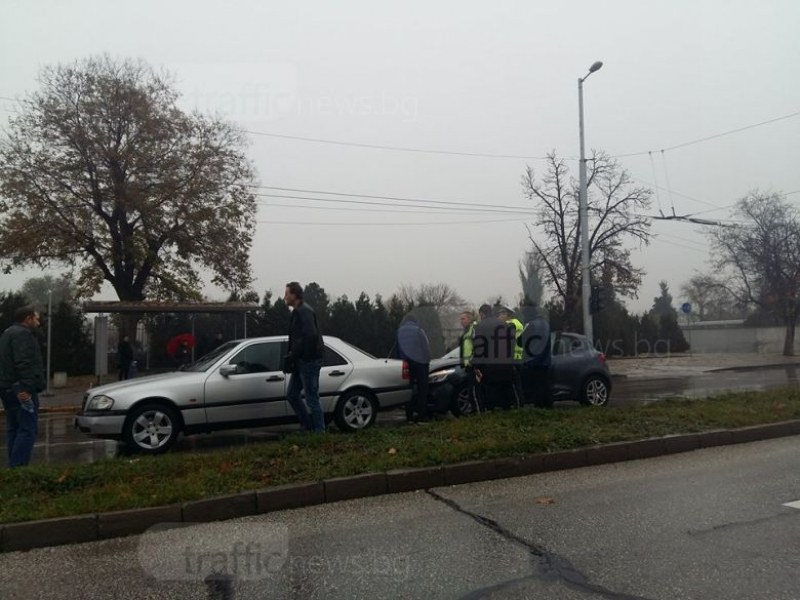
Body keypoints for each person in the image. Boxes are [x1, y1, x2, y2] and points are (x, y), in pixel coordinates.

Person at [0, 306, 45, 467]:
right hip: (21, 390)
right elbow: (23, 362)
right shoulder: (23, 335)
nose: (38, 322)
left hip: (6, 388)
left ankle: (13, 469)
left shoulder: (7, 333)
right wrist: (26, 388)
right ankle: (18, 468)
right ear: (28, 319)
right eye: (36, 318)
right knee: (27, 429)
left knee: (14, 428)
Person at [284, 281, 325, 433]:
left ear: (294, 295)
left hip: (308, 361)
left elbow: (311, 335)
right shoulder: (297, 312)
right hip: (300, 361)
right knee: (292, 395)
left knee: (312, 398)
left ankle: (320, 432)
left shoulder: (304, 311)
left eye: (287, 294)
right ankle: (307, 426)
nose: (285, 297)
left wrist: (305, 357)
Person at [472, 304, 517, 410]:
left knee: (491, 395)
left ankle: (493, 414)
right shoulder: (504, 324)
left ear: (482, 314)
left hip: (490, 366)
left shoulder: (480, 326)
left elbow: (479, 347)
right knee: (506, 394)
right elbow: (511, 343)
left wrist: (476, 364)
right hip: (506, 364)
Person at [397, 314, 432, 423]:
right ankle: (421, 416)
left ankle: (409, 416)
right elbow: (425, 347)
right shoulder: (419, 331)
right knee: (422, 390)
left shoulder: (399, 331)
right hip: (420, 364)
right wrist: (427, 361)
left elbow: (398, 349)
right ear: (415, 322)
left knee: (409, 389)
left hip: (406, 364)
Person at [520, 304, 553, 407]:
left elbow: (521, 341)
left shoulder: (531, 325)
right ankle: (548, 406)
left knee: (536, 386)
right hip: (545, 360)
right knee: (545, 385)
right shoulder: (546, 324)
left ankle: (539, 407)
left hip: (533, 361)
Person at [498, 306, 525, 406]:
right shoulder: (511, 324)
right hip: (514, 358)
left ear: (507, 315)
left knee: (515, 385)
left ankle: (519, 406)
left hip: (514, 359)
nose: (499, 316)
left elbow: (510, 342)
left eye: (501, 314)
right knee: (512, 384)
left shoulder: (512, 324)